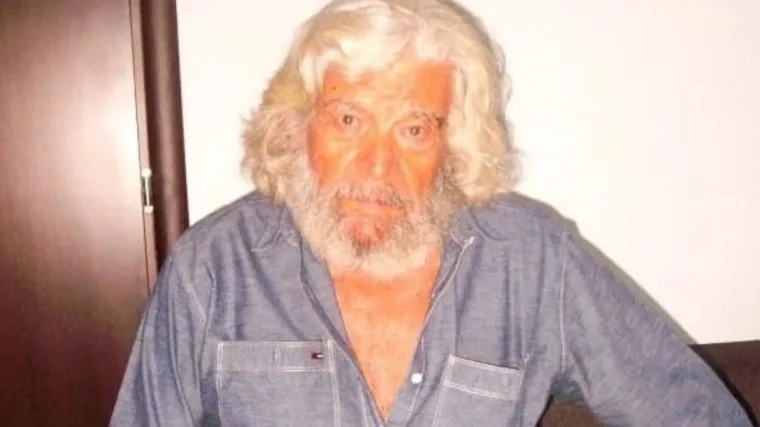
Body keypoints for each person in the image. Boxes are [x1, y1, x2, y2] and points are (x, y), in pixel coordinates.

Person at [110, 0, 752, 425]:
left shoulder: (533, 263)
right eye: (349, 119)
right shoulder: (212, 270)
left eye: (414, 129)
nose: (377, 166)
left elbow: (697, 414)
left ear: (451, 143)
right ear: (299, 124)